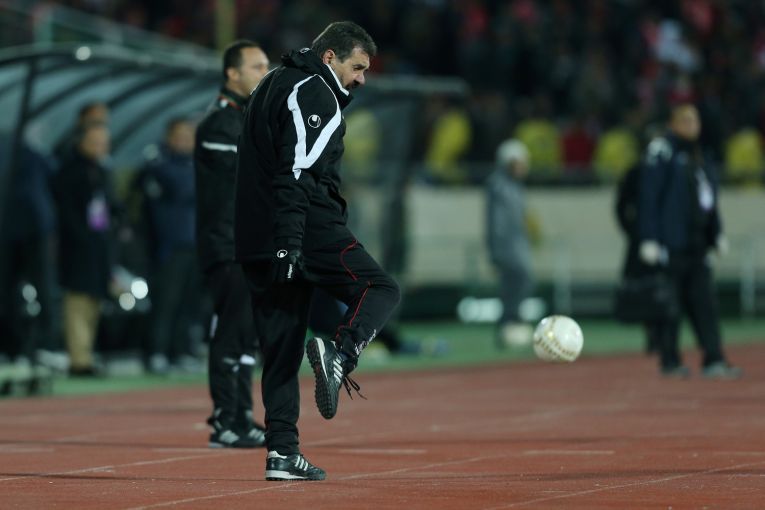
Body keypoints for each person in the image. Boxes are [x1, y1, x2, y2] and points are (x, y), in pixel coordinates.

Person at [234, 21, 400, 481]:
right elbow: (296, 172)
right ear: (330, 57)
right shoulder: (316, 93)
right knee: (381, 289)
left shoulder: (272, 82)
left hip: (256, 236)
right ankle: (340, 356)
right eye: (357, 67)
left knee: (282, 351)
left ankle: (282, 453)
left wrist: (274, 245)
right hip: (303, 228)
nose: (361, 79)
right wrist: (289, 245)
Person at [194, 40, 270, 448]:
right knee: (230, 331)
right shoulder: (218, 123)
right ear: (232, 73)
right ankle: (223, 421)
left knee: (246, 336)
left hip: (247, 242)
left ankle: (240, 415)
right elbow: (247, 176)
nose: (264, 72)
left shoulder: (244, 119)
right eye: (256, 66)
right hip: (225, 243)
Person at [637, 103, 741, 379]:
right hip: (672, 243)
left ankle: (714, 358)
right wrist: (649, 238)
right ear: (672, 124)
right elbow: (649, 196)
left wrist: (716, 233)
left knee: (705, 303)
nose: (691, 125)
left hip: (697, 242)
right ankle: (670, 361)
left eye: (694, 120)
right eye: (684, 120)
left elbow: (709, 198)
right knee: (670, 306)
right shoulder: (662, 151)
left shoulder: (700, 153)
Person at [137, 117, 204, 375]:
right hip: (169, 246)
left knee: (188, 301)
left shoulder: (193, 163)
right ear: (168, 137)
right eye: (180, 135)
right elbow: (183, 187)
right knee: (165, 302)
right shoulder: (158, 164)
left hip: (193, 243)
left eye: (189, 136)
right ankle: (156, 352)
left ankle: (180, 352)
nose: (185, 141)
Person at [52, 122, 115, 376]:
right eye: (94, 142)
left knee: (94, 301)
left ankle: (86, 354)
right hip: (77, 247)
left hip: (98, 245)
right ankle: (79, 359)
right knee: (77, 302)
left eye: (103, 142)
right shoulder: (70, 171)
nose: (100, 147)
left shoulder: (101, 171)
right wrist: (82, 237)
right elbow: (66, 212)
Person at [486, 139, 534, 349]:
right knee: (515, 282)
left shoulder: (514, 186)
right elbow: (498, 223)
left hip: (516, 244)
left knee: (520, 282)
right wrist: (496, 250)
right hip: (507, 246)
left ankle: (512, 322)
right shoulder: (499, 186)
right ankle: (509, 323)